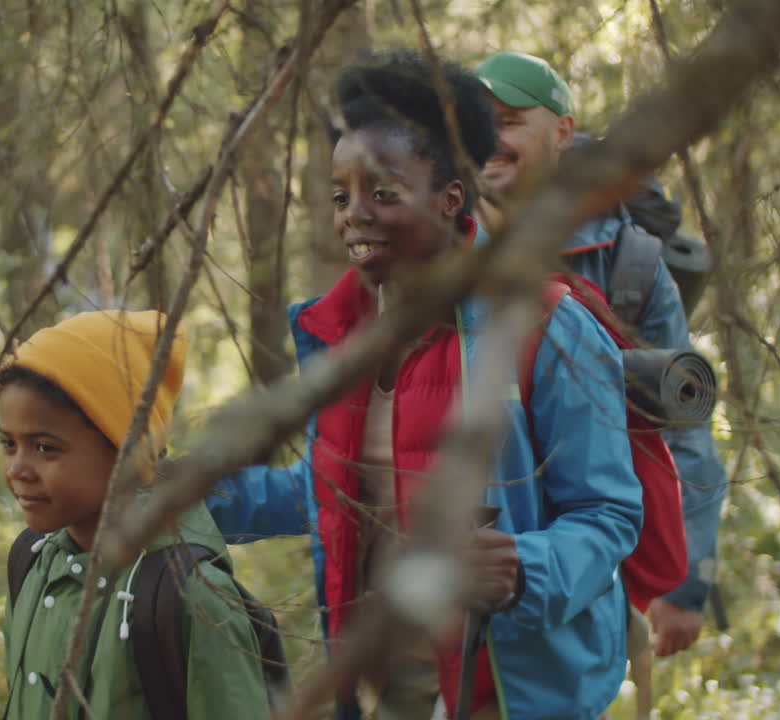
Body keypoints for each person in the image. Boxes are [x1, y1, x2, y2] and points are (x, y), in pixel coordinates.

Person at [207, 50, 642, 720]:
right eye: (340, 196)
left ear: (449, 199)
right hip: (380, 690)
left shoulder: (545, 324)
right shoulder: (341, 336)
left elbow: (609, 514)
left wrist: (525, 567)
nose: (353, 215)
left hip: (510, 692)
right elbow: (335, 490)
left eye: (383, 192)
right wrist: (194, 496)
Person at [473, 50, 730, 656]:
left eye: (508, 121)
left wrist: (686, 583)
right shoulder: (432, 241)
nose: (487, 140)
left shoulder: (628, 264)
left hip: (582, 574)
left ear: (563, 132)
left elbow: (683, 427)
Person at [0, 310, 271, 720]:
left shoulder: (193, 600)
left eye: (44, 448)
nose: (17, 469)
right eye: (8, 444)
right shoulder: (32, 563)